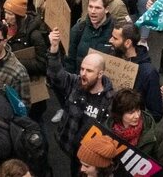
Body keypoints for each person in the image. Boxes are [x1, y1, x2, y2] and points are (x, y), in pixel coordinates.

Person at [47, 27, 114, 172]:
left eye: (89, 71)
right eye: (82, 69)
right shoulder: (75, 83)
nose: (83, 73)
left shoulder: (110, 99)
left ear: (100, 74)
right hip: (72, 148)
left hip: (93, 157)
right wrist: (54, 48)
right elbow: (56, 75)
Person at [108, 89, 163, 174]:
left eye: (138, 110)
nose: (137, 116)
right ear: (120, 113)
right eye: (131, 112)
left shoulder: (157, 135)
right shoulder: (107, 132)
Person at [107, 22, 163, 121]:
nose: (110, 40)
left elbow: (156, 113)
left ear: (127, 43)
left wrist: (132, 120)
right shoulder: (111, 60)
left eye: (115, 38)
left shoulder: (148, 73)